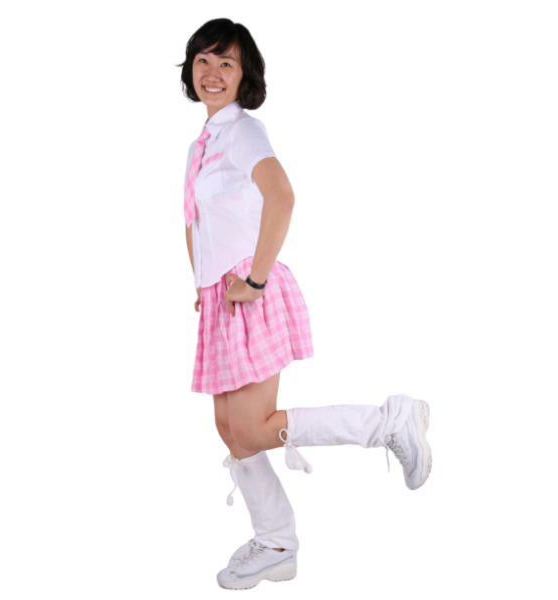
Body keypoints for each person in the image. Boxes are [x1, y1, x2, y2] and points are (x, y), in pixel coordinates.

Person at [177, 17, 433, 593]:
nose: (212, 72)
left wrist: (256, 280)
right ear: (189, 70)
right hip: (220, 300)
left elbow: (282, 195)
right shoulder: (202, 143)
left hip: (249, 291)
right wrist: (200, 286)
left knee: (251, 427)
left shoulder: (244, 130)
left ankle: (387, 422)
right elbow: (195, 223)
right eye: (203, 60)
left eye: (226, 62)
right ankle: (275, 543)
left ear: (245, 75)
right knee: (230, 428)